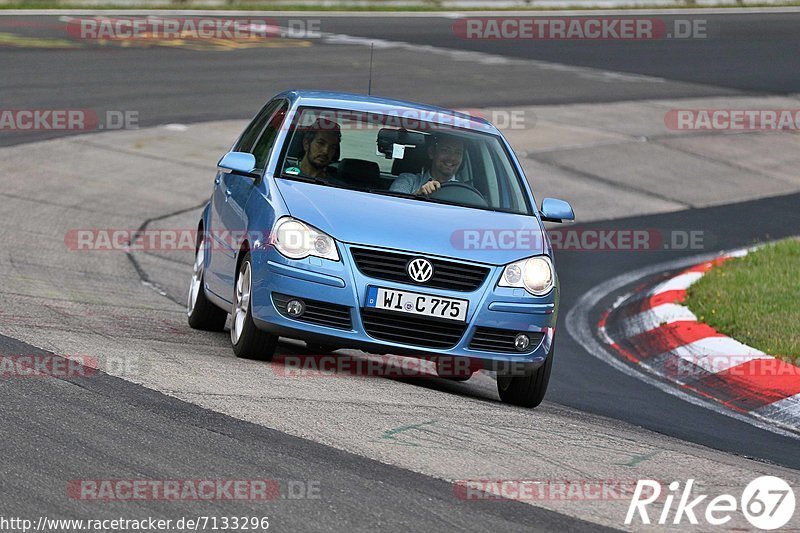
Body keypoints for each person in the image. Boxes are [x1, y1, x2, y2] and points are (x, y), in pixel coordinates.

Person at [390, 133, 465, 195]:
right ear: (431, 153)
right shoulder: (408, 181)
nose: (452, 158)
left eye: (458, 153)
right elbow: (392, 208)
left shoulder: (464, 191)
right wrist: (418, 195)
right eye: (445, 151)